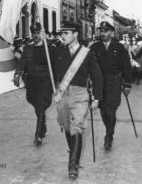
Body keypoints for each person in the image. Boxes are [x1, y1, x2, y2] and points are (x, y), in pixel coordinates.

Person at [51, 21, 103, 179]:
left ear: (75, 34)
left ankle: (72, 165)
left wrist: (97, 98)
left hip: (80, 95)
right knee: (67, 127)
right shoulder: (59, 51)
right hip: (63, 94)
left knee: (77, 127)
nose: (63, 36)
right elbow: (50, 69)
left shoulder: (87, 53)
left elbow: (97, 76)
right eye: (62, 33)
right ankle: (74, 152)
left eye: (66, 33)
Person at [90, 21, 132, 150]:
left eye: (105, 31)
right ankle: (110, 129)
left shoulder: (119, 47)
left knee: (111, 110)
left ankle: (108, 136)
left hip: (114, 82)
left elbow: (126, 66)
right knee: (103, 111)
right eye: (101, 31)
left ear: (112, 32)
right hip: (99, 83)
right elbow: (89, 65)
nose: (102, 33)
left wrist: (127, 84)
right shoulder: (95, 47)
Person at [13, 22, 53, 146]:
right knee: (37, 107)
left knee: (40, 107)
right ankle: (43, 124)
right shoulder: (28, 49)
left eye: (37, 33)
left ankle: (38, 134)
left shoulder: (49, 48)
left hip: (45, 82)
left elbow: (56, 65)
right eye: (33, 33)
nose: (35, 35)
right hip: (32, 83)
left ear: (42, 33)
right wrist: (17, 74)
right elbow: (22, 63)